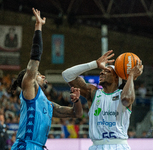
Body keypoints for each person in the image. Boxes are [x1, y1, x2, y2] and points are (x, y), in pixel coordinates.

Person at [10, 8, 83, 150]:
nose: (43, 76)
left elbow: (77, 113)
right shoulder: (29, 88)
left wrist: (77, 101)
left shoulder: (49, 105)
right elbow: (35, 57)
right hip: (25, 145)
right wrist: (38, 27)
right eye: (39, 74)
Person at [62, 50, 143, 150]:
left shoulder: (123, 94)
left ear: (116, 78)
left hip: (119, 145)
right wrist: (94, 64)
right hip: (96, 146)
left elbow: (126, 99)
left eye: (107, 71)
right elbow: (67, 75)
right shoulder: (93, 93)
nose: (101, 72)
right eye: (102, 70)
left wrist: (130, 75)